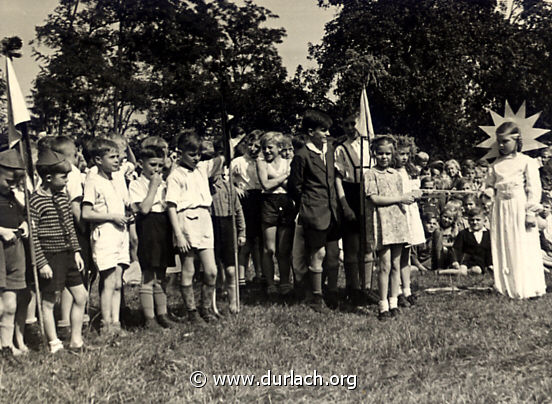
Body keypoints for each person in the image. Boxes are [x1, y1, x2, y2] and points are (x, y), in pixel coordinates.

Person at [30, 150, 89, 353]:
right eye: (63, 177)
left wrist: (76, 251)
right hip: (50, 257)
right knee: (48, 301)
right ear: (48, 178)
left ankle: (76, 341)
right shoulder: (35, 202)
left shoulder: (63, 197)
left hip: (67, 255)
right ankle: (54, 343)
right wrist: (41, 262)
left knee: (81, 296)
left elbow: (69, 227)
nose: (66, 181)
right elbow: (33, 236)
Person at [166, 130, 224, 323]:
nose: (196, 158)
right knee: (189, 269)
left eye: (199, 154)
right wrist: (179, 235)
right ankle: (191, 312)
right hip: (186, 220)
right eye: (191, 154)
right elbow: (171, 207)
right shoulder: (175, 176)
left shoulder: (201, 169)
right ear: (179, 152)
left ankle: (206, 308)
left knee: (211, 270)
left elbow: (221, 159)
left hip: (204, 218)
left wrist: (225, 134)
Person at [485, 121, 546, 298]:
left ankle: (527, 287)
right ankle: (505, 286)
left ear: (516, 140)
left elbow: (534, 188)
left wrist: (530, 212)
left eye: (506, 141)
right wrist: (487, 193)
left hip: (519, 206)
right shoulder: (495, 164)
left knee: (522, 243)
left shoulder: (526, 161)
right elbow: (490, 185)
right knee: (504, 243)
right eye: (499, 142)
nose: (502, 145)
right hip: (500, 207)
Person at [288, 109, 341, 312]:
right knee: (318, 254)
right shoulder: (302, 156)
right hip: (314, 212)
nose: (327, 134)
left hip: (332, 211)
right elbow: (295, 186)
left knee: (334, 254)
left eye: (327, 130)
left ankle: (333, 292)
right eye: (323, 130)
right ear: (310, 132)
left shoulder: (328, 151)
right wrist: (308, 204)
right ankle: (316, 297)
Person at [82, 138, 131, 336]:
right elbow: (86, 213)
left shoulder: (117, 179)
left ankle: (116, 323)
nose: (117, 161)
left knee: (118, 281)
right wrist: (112, 217)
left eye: (118, 156)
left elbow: (124, 204)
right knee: (108, 280)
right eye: (112, 157)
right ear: (98, 160)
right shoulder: (93, 181)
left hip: (121, 233)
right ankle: (106, 323)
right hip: (105, 233)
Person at [364, 135, 416, 320]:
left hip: (398, 223)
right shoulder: (370, 174)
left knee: (396, 264)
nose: (384, 157)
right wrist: (400, 198)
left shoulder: (396, 175)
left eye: (387, 153)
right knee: (384, 266)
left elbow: (402, 198)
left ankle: (394, 302)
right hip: (382, 224)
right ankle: (383, 304)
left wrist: (409, 197)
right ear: (373, 154)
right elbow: (374, 198)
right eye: (380, 153)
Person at [50, 135, 92, 339]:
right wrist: (85, 229)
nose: (77, 157)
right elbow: (75, 206)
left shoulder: (59, 173)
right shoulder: (72, 173)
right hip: (75, 229)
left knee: (70, 277)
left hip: (62, 228)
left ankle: (65, 320)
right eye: (75, 154)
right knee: (75, 276)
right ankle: (68, 319)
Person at [129, 145, 174, 329]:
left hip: (163, 224)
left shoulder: (164, 182)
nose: (156, 169)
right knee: (148, 273)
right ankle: (149, 318)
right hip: (147, 225)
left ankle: (162, 314)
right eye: (152, 164)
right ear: (141, 164)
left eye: (160, 166)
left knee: (162, 274)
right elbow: (144, 209)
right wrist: (153, 187)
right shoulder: (136, 184)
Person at [334, 112, 373, 309]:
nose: (351, 128)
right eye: (346, 124)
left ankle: (367, 287)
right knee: (351, 245)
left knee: (367, 245)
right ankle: (353, 288)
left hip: (368, 194)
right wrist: (345, 205)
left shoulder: (370, 147)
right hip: (350, 193)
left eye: (354, 124)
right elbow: (338, 178)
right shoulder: (341, 149)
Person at [256, 132, 295, 299]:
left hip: (286, 202)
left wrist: (276, 178)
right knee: (269, 248)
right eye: (264, 147)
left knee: (284, 248)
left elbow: (290, 186)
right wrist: (284, 177)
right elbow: (265, 185)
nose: (266, 151)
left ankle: (285, 282)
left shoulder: (288, 162)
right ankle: (271, 283)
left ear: (279, 148)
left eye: (270, 147)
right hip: (268, 202)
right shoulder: (261, 162)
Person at [0, 149, 28, 358]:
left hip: (15, 251)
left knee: (10, 304)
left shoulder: (12, 197)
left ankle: (7, 346)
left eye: (15, 182)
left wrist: (25, 223)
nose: (12, 185)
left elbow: (22, 215)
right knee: (0, 306)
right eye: (8, 181)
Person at [394, 136, 425, 308]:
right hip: (398, 213)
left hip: (410, 213)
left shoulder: (410, 171)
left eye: (407, 154)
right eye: (400, 154)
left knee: (406, 255)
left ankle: (407, 289)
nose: (404, 157)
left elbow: (414, 188)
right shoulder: (392, 172)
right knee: (397, 256)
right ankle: (397, 290)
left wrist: (417, 192)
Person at [210, 166, 246, 313]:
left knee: (231, 269)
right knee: (213, 268)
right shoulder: (203, 186)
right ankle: (211, 302)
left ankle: (233, 302)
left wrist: (242, 232)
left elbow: (238, 211)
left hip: (227, 226)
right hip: (211, 225)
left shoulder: (228, 187)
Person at [231, 130, 263, 286]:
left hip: (260, 199)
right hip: (245, 200)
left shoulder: (263, 161)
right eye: (250, 144)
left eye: (257, 146)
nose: (253, 149)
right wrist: (235, 187)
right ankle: (241, 277)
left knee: (258, 241)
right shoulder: (238, 161)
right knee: (245, 240)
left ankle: (259, 274)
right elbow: (226, 180)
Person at [450, 207, 491, 274]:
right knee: (463, 270)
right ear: (468, 221)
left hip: (482, 262)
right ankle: (442, 272)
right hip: (467, 261)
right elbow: (456, 249)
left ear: (484, 220)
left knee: (477, 270)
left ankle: (464, 272)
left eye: (478, 220)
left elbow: (491, 250)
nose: (475, 222)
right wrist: (455, 261)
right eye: (472, 220)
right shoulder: (464, 233)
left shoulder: (489, 234)